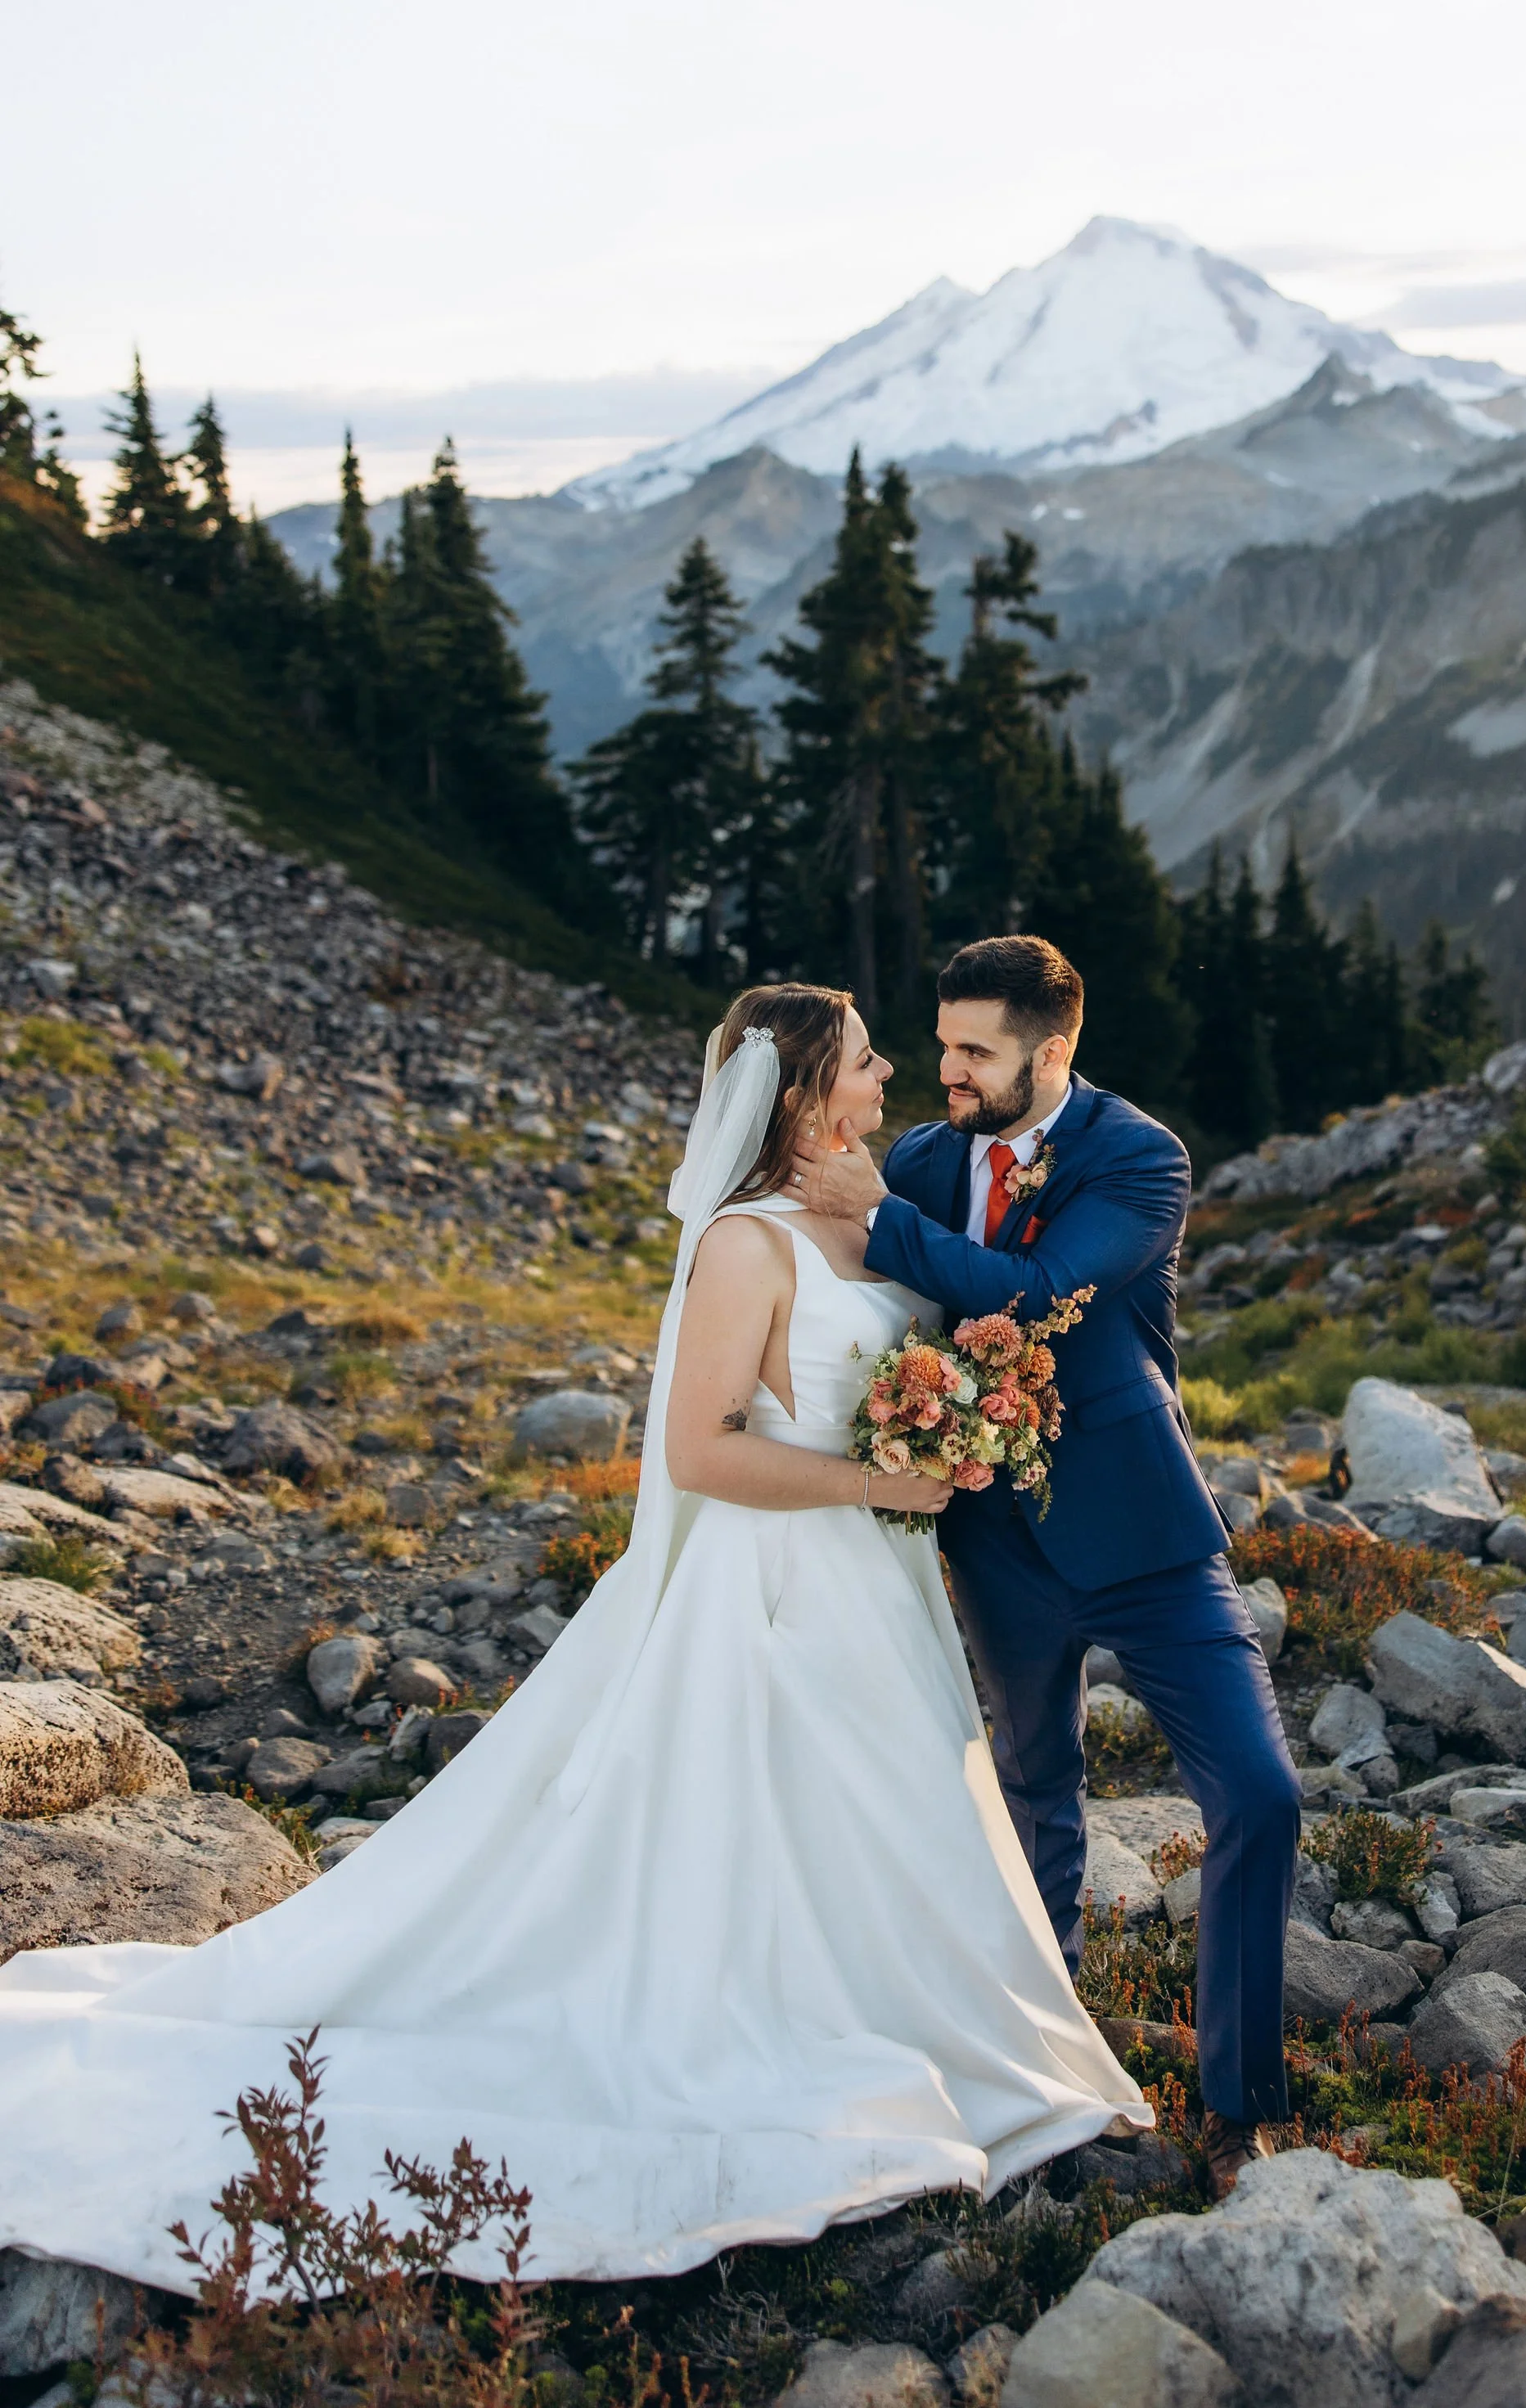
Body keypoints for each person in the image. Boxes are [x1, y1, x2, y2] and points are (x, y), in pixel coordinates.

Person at [0, 982, 1147, 2295]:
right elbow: (701, 1450)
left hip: (877, 1591)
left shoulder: (866, 1207)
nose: (890, 1071)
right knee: (779, 1824)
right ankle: (796, 2044)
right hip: (781, 1579)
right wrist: (882, 1484)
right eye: (866, 1058)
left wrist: (947, 1417)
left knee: (894, 1811)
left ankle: (936, 2024)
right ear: (803, 1093)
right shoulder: (742, 1246)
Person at [790, 935, 1302, 2201]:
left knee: (1262, 1793)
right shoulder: (918, 1157)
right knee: (1034, 1794)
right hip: (990, 1540)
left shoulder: (1141, 1157)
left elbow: (1033, 1298)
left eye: (976, 1051)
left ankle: (1241, 2107)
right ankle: (1050, 2061)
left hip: (1143, 1535)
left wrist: (883, 1221)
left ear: (1053, 1051)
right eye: (944, 1042)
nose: (948, 1072)